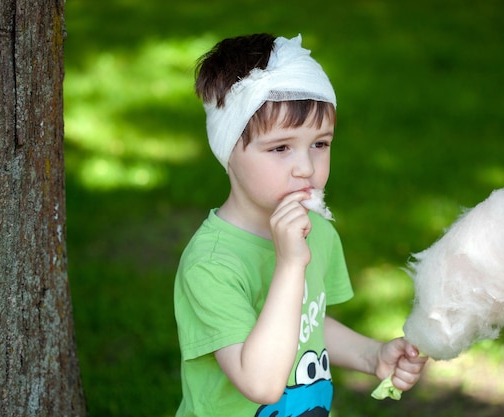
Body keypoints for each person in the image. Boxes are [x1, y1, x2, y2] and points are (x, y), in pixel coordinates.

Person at [174, 33, 427, 417]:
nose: (306, 167)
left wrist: (372, 354)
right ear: (228, 153)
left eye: (320, 144)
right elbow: (260, 385)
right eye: (280, 148)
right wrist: (290, 264)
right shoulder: (211, 264)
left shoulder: (317, 231)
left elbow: (309, 323)